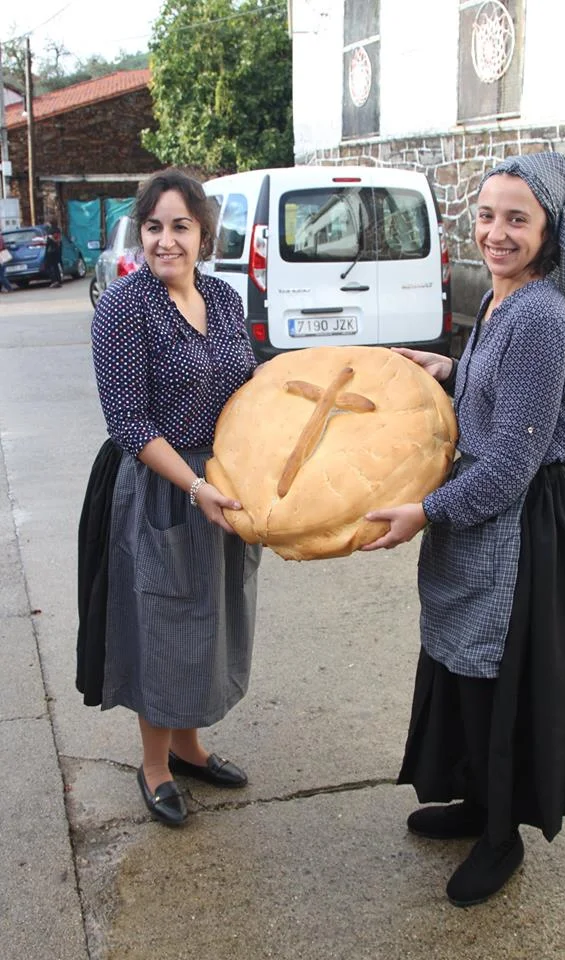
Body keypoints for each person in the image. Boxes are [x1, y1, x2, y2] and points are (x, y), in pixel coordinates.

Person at [363, 152, 565, 906]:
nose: (496, 233)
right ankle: (476, 802)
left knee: (501, 680)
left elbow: (509, 463)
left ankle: (503, 838)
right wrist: (450, 369)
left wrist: (421, 514)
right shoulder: (505, 302)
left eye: (517, 220)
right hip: (487, 511)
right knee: (465, 667)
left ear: (549, 233)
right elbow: (502, 396)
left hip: (525, 523)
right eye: (488, 215)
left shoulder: (538, 317)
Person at [78, 168, 261, 827]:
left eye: (180, 226)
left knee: (213, 615)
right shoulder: (124, 308)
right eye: (153, 226)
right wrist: (195, 485)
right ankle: (154, 765)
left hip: (223, 480)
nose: (166, 241)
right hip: (160, 485)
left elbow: (249, 383)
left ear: (203, 234)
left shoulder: (224, 297)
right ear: (141, 233)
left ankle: (189, 746)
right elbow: (127, 421)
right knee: (161, 625)